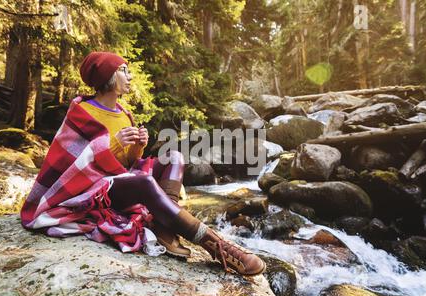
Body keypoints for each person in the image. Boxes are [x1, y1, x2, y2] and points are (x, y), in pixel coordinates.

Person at [20, 51, 266, 276]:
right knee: (146, 181)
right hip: (93, 190)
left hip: (120, 179)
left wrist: (137, 147)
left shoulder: (124, 113)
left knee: (174, 156)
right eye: (123, 70)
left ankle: (162, 225)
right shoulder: (81, 112)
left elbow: (128, 163)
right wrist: (113, 144)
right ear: (108, 75)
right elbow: (73, 165)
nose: (130, 75)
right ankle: (218, 247)